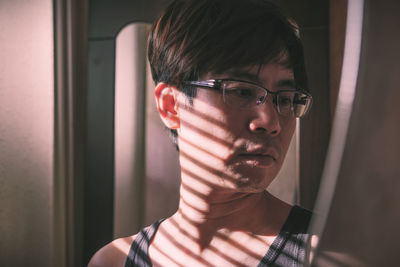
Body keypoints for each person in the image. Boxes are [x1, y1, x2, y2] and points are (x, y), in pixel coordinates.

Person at [89, 0, 313, 266]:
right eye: (241, 91)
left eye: (285, 99)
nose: (270, 121)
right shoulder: (115, 261)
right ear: (171, 106)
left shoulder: (330, 254)